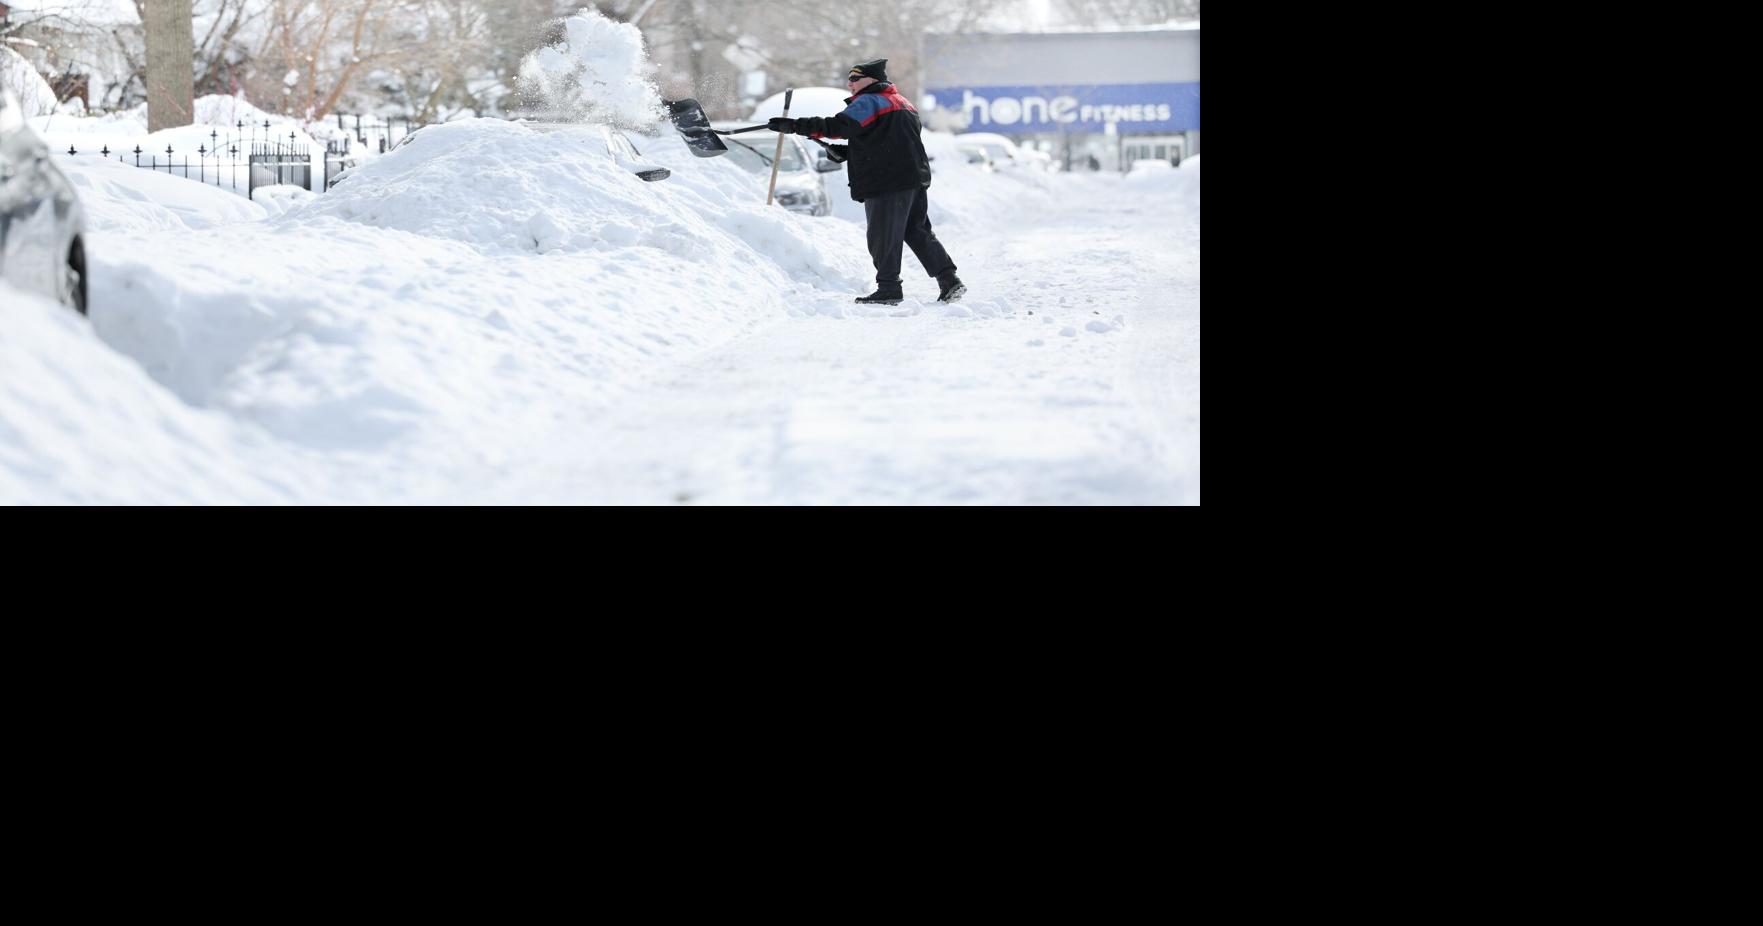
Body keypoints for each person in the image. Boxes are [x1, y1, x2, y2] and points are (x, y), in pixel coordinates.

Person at [769, 58, 964, 306]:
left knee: (883, 235)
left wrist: (795, 125)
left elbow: (838, 126)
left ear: (872, 80)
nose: (850, 84)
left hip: (887, 181)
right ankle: (949, 279)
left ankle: (889, 288)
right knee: (916, 231)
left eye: (855, 79)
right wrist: (848, 152)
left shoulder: (870, 101)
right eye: (849, 79)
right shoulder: (902, 103)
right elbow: (890, 142)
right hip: (912, 177)